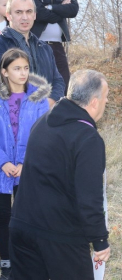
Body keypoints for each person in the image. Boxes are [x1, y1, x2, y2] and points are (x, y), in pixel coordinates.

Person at [9, 69, 110, 279]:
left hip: (22, 227)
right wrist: (100, 240)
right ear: (94, 102)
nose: (106, 102)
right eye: (106, 97)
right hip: (61, 237)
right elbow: (89, 198)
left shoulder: (43, 122)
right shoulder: (88, 139)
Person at [0, 49, 50, 279]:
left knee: (25, 217)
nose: (22, 73)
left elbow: (41, 134)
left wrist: (23, 162)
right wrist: (3, 162)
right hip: (2, 168)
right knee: (3, 216)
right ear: (4, 71)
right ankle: (5, 260)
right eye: (16, 68)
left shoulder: (38, 99)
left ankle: (24, 259)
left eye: (26, 68)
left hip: (27, 169)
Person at [22, 0, 79, 90]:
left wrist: (51, 7)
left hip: (57, 46)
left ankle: (60, 112)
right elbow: (39, 13)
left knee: (65, 85)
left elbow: (73, 10)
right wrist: (61, 9)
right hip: (36, 46)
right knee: (39, 87)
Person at [0, 0, 65, 106]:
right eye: (19, 12)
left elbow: (58, 80)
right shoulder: (2, 45)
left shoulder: (45, 48)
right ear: (9, 15)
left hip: (45, 117)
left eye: (29, 12)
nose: (25, 17)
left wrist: (50, 101)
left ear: (34, 15)